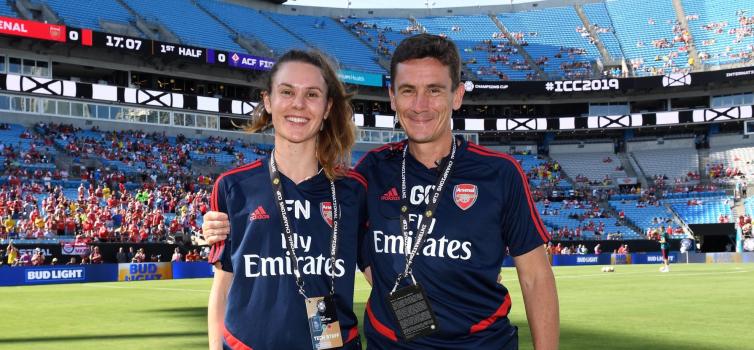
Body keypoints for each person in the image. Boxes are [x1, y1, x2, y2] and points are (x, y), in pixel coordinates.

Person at [203, 34, 559, 349]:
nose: (420, 104)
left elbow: (535, 276)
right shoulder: (371, 172)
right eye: (408, 90)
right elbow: (353, 245)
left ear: (457, 96)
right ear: (392, 97)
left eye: (434, 90)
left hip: (481, 343)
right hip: (391, 343)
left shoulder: (499, 174)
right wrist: (218, 225)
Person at [206, 50, 365, 350]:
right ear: (268, 101)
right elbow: (222, 287)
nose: (298, 104)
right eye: (287, 91)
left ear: (328, 107)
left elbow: (387, 274)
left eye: (312, 94)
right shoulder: (233, 187)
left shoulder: (353, 191)